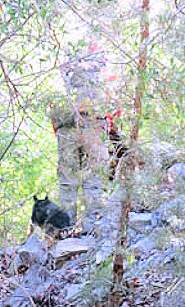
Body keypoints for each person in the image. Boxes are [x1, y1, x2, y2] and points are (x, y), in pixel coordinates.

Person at [50, 43, 122, 234]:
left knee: (68, 181)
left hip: (68, 126)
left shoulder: (65, 67)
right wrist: (111, 125)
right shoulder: (105, 67)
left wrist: (58, 128)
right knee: (94, 180)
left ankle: (65, 230)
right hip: (96, 124)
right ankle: (92, 229)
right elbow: (115, 102)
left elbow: (52, 103)